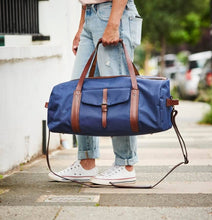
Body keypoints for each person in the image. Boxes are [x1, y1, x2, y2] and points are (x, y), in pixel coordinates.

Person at [48, 0, 142, 185]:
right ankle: (86, 161)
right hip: (90, 16)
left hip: (112, 12)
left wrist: (114, 24)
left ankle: (125, 164)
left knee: (118, 93)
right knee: (79, 91)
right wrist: (82, 26)